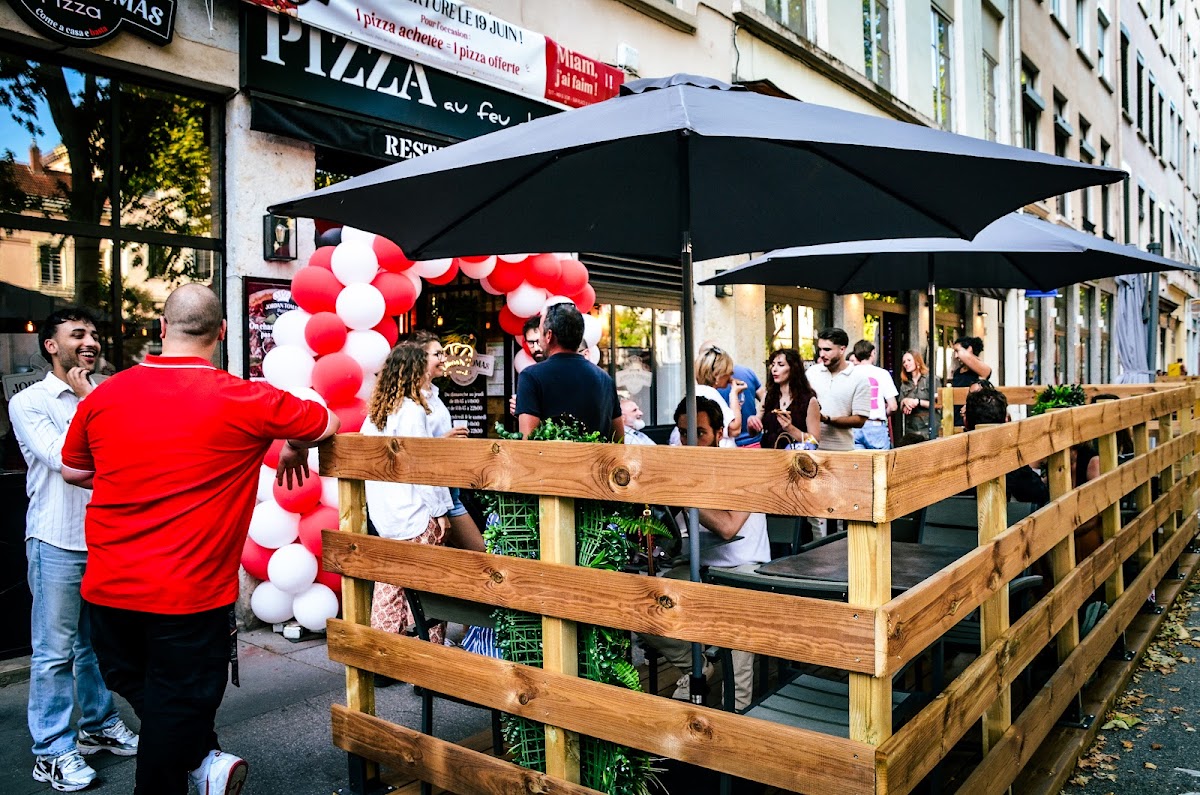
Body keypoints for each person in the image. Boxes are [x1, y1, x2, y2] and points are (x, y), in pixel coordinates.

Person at [60, 284, 338, 795]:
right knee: (174, 707)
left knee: (152, 694)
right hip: (186, 600)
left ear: (161, 329)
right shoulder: (246, 397)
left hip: (109, 592)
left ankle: (200, 759)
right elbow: (328, 421)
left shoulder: (105, 395)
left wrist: (137, 472)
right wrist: (295, 445)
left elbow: (74, 470)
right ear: (222, 333)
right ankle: (198, 758)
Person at [9, 307, 138, 793]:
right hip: (57, 539)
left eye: (93, 334)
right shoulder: (31, 402)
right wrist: (90, 402)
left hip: (104, 539)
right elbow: (66, 458)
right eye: (77, 334)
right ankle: (52, 751)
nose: (90, 342)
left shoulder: (108, 391)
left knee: (94, 647)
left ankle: (99, 724)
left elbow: (133, 451)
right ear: (51, 346)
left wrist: (95, 399)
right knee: (53, 653)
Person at [641, 396, 770, 711]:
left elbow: (727, 527)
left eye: (699, 432)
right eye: (684, 433)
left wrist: (681, 494)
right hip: (700, 567)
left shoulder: (742, 467)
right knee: (644, 605)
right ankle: (696, 667)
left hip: (744, 567)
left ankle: (736, 716)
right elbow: (677, 538)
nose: (690, 441)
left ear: (720, 432)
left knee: (736, 634)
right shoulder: (687, 468)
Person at [363, 342, 456, 643]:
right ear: (414, 373)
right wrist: (441, 512)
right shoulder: (413, 411)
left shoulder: (375, 416)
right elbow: (423, 470)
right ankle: (429, 658)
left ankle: (384, 654)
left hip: (386, 513)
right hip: (415, 511)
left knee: (389, 586)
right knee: (431, 586)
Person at [401, 330, 485, 553]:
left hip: (448, 490)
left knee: (469, 554)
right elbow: (412, 450)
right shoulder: (410, 401)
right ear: (419, 359)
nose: (444, 359)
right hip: (431, 496)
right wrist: (442, 440)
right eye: (437, 354)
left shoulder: (434, 395)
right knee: (478, 551)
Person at [515, 302, 623, 441]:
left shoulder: (530, 377)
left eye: (541, 332)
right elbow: (619, 440)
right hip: (597, 462)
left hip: (551, 462)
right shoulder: (605, 379)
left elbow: (528, 442)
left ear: (549, 336)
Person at [963, 386, 1048, 507]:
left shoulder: (951, 459)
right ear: (1006, 420)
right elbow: (1039, 494)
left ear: (966, 422)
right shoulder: (1010, 461)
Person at [668, 344, 745, 447]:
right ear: (718, 375)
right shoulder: (709, 394)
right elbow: (734, 429)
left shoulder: (696, 391)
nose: (730, 377)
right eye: (728, 373)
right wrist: (734, 394)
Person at [805, 328, 870, 452]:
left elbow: (860, 420)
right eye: (820, 349)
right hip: (810, 449)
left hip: (842, 450)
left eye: (827, 349)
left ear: (842, 349)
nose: (822, 354)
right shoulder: (812, 373)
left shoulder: (859, 378)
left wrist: (827, 419)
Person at [756, 348, 820, 450]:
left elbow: (814, 441)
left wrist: (790, 428)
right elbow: (755, 429)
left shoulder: (809, 400)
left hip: (793, 459)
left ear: (793, 368)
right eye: (773, 364)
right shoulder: (769, 395)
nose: (774, 369)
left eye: (781, 365)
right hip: (768, 456)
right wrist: (752, 423)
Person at [848, 340, 898, 450]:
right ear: (872, 353)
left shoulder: (849, 374)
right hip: (876, 426)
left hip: (854, 426)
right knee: (880, 465)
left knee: (858, 465)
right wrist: (883, 413)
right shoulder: (882, 373)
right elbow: (893, 406)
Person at [952, 336, 992, 427]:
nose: (956, 356)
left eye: (957, 351)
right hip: (957, 418)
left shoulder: (982, 370)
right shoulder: (957, 372)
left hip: (973, 417)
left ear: (969, 349)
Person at [897, 350, 934, 437]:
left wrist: (917, 402)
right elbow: (900, 406)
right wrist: (905, 402)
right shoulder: (905, 383)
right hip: (911, 429)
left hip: (928, 428)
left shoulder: (930, 379)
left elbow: (938, 404)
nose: (906, 363)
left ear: (917, 361)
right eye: (904, 362)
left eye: (909, 360)